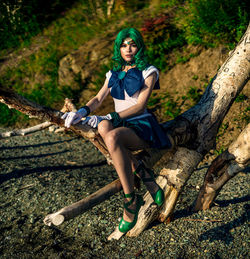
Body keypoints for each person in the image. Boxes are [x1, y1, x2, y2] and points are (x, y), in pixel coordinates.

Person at [62, 28, 172, 233]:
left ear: (138, 46)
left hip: (140, 125)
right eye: (123, 45)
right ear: (118, 48)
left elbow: (140, 106)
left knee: (110, 133)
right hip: (119, 124)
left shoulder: (150, 71)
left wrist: (110, 116)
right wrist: (81, 112)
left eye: (132, 44)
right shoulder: (113, 73)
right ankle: (144, 174)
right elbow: (98, 98)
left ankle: (130, 201)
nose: (128, 49)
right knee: (104, 127)